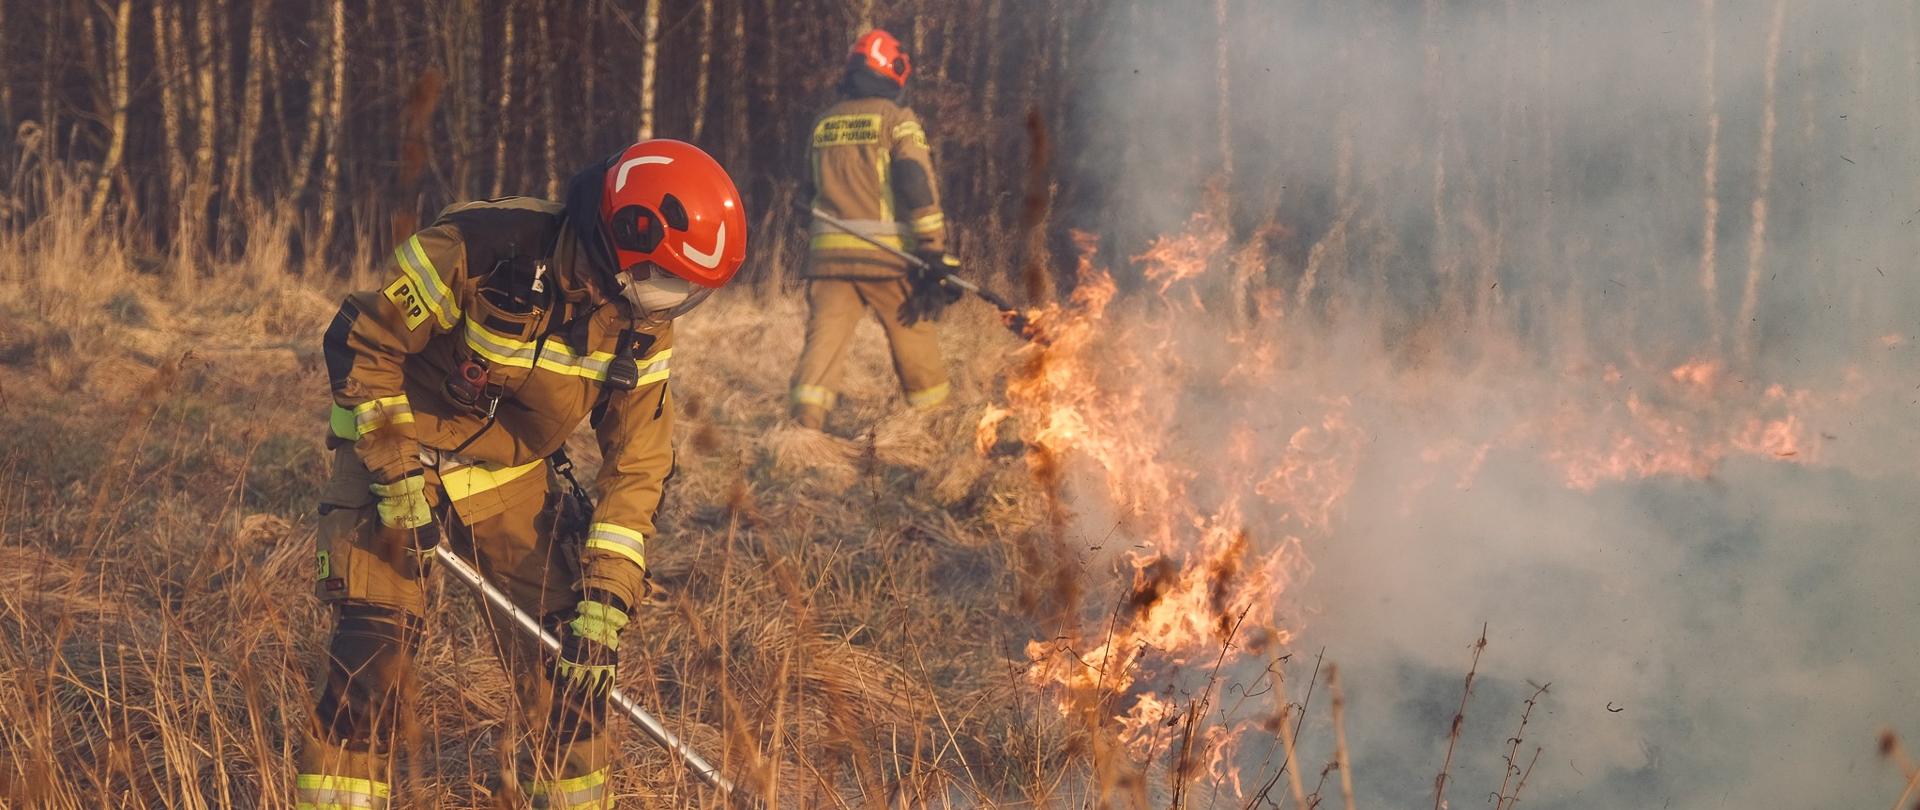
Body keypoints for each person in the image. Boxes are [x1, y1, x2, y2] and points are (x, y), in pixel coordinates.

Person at [296, 140, 746, 810]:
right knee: (373, 656)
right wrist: (394, 473)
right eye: (667, 281)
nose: (671, 304)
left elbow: (639, 463)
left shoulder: (640, 324)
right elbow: (365, 340)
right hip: (397, 449)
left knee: (572, 658)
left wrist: (607, 596)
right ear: (624, 237)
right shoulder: (485, 245)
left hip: (509, 474)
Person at [789, 28, 963, 430]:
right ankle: (935, 427)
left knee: (823, 346)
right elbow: (916, 186)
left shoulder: (823, 124)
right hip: (888, 262)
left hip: (828, 263)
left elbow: (806, 194)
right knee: (914, 337)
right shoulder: (897, 121)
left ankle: (804, 430)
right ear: (893, 71)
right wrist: (932, 249)